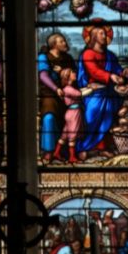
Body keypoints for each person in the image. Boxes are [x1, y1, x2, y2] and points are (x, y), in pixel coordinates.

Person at [76, 21, 126, 158]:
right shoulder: (88, 54)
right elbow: (94, 72)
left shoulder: (110, 55)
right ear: (93, 36)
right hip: (94, 93)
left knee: (108, 118)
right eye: (101, 33)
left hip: (109, 92)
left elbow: (118, 70)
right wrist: (110, 76)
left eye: (105, 33)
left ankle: (102, 148)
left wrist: (123, 74)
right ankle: (84, 147)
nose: (105, 36)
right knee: (91, 118)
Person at [38, 32, 76, 162]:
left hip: (68, 96)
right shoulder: (44, 57)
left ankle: (64, 151)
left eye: (64, 41)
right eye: (62, 41)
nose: (65, 43)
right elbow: (43, 76)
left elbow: (75, 77)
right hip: (49, 95)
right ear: (54, 44)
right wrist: (56, 89)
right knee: (48, 118)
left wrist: (62, 73)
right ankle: (49, 151)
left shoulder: (68, 58)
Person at [50, 68, 93, 164]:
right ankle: (72, 157)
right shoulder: (68, 89)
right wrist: (92, 89)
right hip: (74, 113)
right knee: (72, 135)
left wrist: (88, 87)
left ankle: (56, 153)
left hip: (70, 113)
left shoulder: (68, 88)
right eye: (73, 72)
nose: (75, 73)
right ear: (68, 76)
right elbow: (80, 94)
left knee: (64, 135)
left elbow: (79, 91)